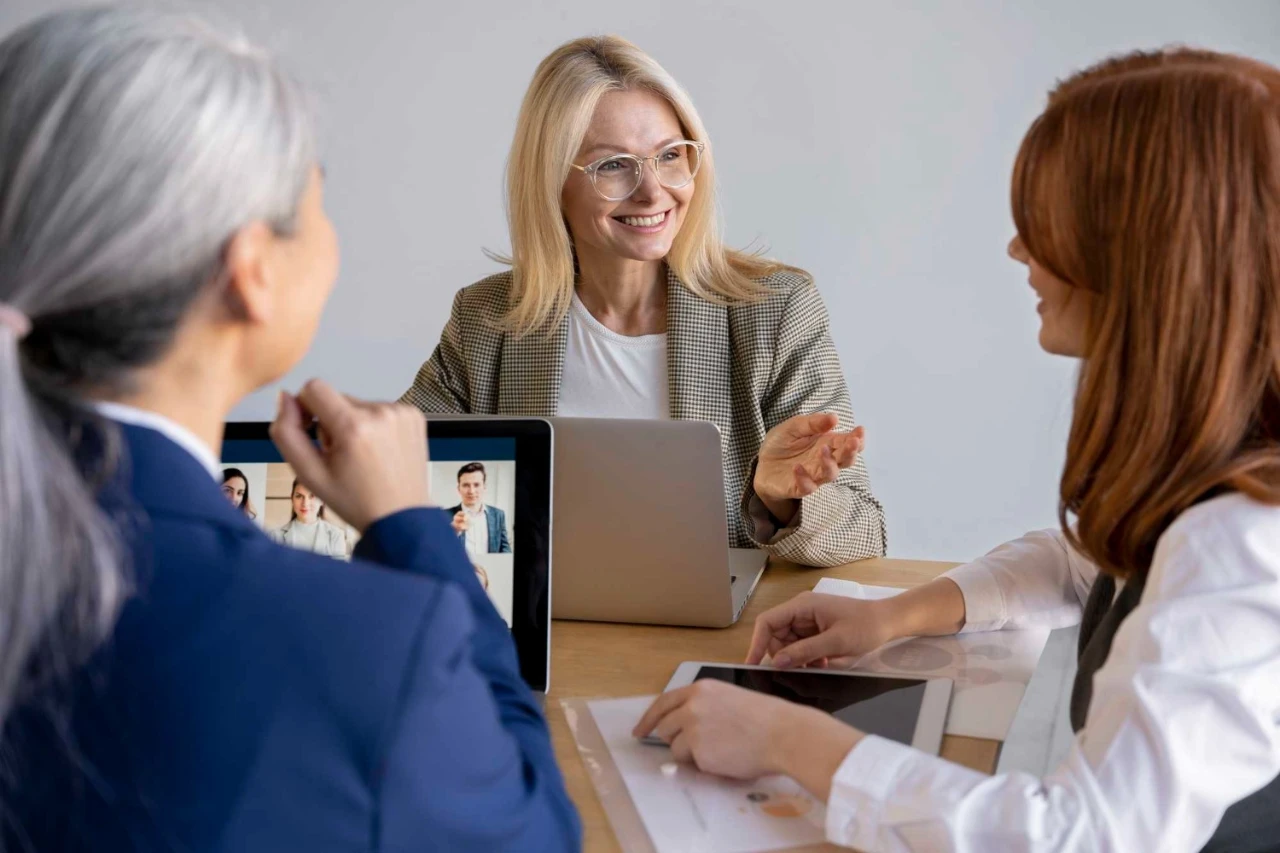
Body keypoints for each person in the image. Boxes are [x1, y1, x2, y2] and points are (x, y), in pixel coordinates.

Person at [635, 48, 1280, 852]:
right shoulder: (1219, 470)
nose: (1016, 250)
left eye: (1044, 224)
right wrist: (897, 614)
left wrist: (788, 739)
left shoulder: (1243, 542)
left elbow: (1083, 838)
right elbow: (1089, 565)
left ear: (1146, 257)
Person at [0, 8, 579, 851]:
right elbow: (535, 830)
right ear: (253, 273)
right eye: (317, 203)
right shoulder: (363, 648)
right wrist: (409, 527)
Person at [401, 35, 885, 567]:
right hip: (555, 636)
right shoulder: (487, 319)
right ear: (551, 181)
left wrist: (779, 499)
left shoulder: (775, 310)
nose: (653, 192)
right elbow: (392, 477)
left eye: (670, 156)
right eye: (613, 165)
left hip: (714, 638)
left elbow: (866, 535)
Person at [270, 477, 349, 559]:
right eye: (299, 496)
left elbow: (336, 571)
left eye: (312, 496)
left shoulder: (336, 535)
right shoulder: (275, 536)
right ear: (292, 499)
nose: (305, 503)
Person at [448, 462, 512, 554]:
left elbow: (505, 550)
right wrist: (453, 530)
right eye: (466, 485)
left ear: (484, 487)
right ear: (459, 488)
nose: (471, 491)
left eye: (476, 485)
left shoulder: (499, 515)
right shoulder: (443, 515)